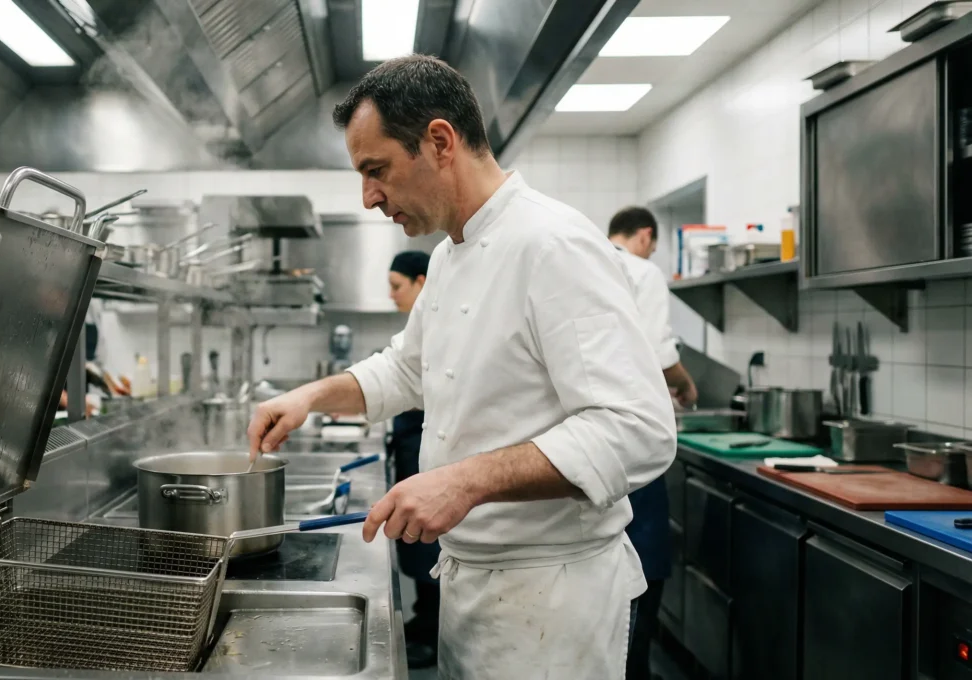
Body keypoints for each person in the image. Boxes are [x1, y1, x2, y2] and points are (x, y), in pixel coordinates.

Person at [246, 55, 676, 678]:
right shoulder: (451, 256)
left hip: (551, 602)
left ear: (440, 142)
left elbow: (637, 428)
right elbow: (406, 371)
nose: (369, 197)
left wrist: (463, 481)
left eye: (376, 170)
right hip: (474, 585)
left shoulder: (552, 243)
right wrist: (310, 395)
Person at [608, 206, 698, 680]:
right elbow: (661, 352)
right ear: (646, 236)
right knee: (641, 567)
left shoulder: (587, 259)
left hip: (586, 450)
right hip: (631, 447)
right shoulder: (643, 271)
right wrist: (685, 385)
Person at [385, 249, 440, 669]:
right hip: (410, 445)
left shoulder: (441, 321)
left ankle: (431, 631)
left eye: (397, 286)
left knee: (429, 545)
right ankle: (425, 624)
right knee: (418, 543)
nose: (392, 295)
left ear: (422, 282)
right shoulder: (423, 322)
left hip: (428, 452)